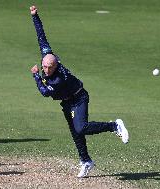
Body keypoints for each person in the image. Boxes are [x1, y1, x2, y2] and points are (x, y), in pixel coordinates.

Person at [29, 5, 129, 178]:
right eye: (44, 66)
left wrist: (36, 76)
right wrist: (35, 16)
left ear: (55, 65)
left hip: (78, 98)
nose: (45, 69)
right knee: (76, 133)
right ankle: (86, 161)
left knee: (81, 128)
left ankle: (114, 126)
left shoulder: (59, 79)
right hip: (67, 102)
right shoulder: (48, 55)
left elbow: (45, 92)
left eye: (48, 67)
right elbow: (41, 36)